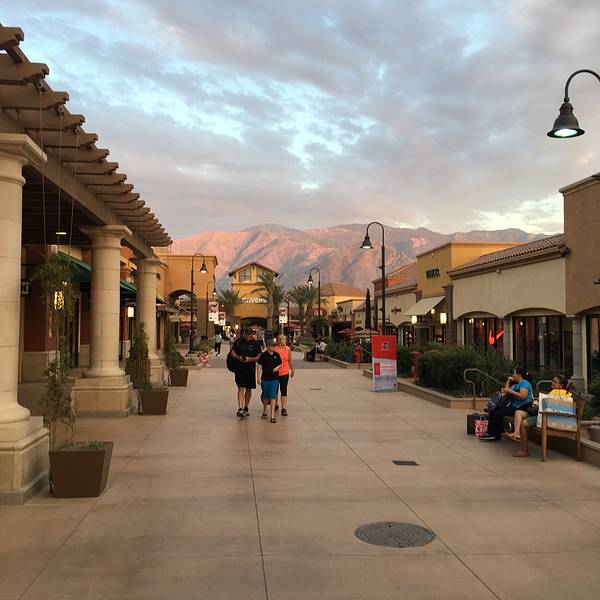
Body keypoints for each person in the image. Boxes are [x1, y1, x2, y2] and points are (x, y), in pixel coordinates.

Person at [513, 374, 571, 458]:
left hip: (549, 418)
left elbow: (550, 407)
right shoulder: (563, 393)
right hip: (546, 416)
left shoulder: (557, 393)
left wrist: (539, 403)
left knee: (524, 423)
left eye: (555, 382)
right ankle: (517, 434)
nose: (552, 382)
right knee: (519, 413)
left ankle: (524, 450)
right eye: (552, 380)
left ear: (561, 385)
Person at [479, 367, 533, 441]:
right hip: (514, 407)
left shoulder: (525, 384)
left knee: (498, 413)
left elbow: (522, 396)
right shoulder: (516, 385)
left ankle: (494, 434)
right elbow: (506, 391)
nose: (513, 375)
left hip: (521, 407)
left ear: (519, 375)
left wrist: (510, 391)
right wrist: (508, 382)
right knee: (493, 410)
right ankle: (491, 433)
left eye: (514, 373)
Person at [229, 328, 262, 419]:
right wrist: (238, 357)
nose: (248, 336)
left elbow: (259, 356)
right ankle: (240, 408)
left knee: (249, 388)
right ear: (244, 334)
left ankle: (246, 407)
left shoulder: (256, 344)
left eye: (249, 334)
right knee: (241, 387)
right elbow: (232, 352)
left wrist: (249, 359)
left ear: (252, 334)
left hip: (250, 369)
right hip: (239, 368)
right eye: (246, 334)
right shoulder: (238, 342)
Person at [257, 339, 282, 423]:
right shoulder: (263, 355)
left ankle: (272, 416)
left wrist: (277, 367)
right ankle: (264, 411)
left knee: (272, 396)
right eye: (271, 346)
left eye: (274, 346)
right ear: (267, 347)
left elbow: (280, 363)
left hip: (274, 379)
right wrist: (258, 377)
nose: (273, 347)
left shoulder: (276, 355)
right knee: (265, 396)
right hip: (265, 378)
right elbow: (259, 366)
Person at [274, 334, 295, 416]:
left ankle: (284, 408)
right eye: (284, 339)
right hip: (276, 373)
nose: (285, 341)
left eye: (285, 339)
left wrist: (292, 369)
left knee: (284, 390)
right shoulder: (275, 349)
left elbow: (289, 360)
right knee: (275, 390)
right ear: (279, 341)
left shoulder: (288, 349)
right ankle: (275, 404)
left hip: (285, 372)